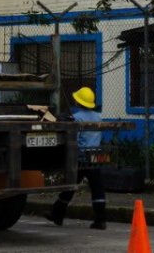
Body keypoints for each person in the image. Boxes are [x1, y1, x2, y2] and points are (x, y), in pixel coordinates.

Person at [45, 86, 107, 230]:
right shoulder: (98, 117)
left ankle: (57, 214)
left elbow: (75, 139)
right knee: (97, 187)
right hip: (94, 157)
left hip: (81, 158)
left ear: (79, 102)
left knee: (70, 185)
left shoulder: (77, 117)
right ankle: (101, 219)